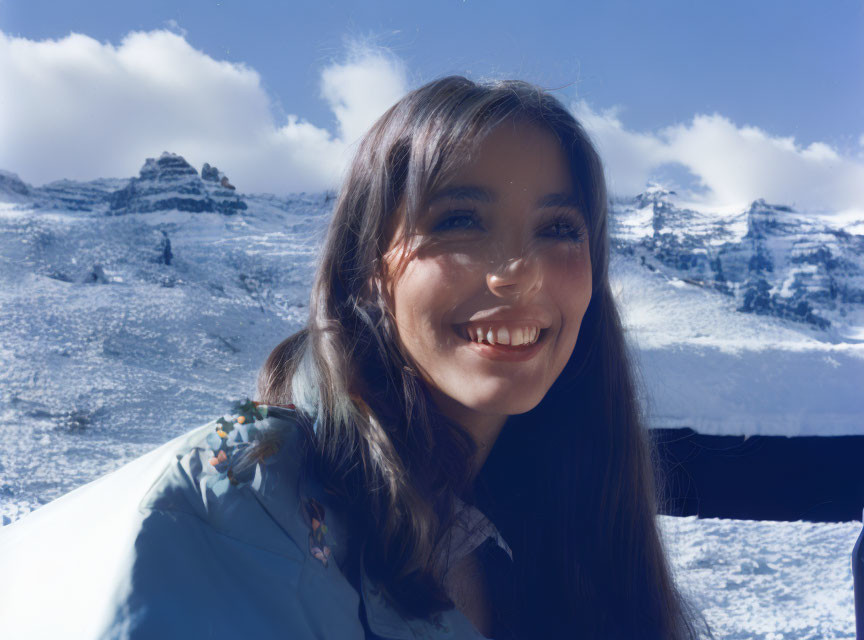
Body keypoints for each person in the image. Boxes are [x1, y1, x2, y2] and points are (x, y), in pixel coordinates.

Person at [0, 76, 709, 639]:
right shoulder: (237, 507)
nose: (516, 273)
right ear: (369, 270)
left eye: (559, 228)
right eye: (460, 219)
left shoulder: (560, 526)